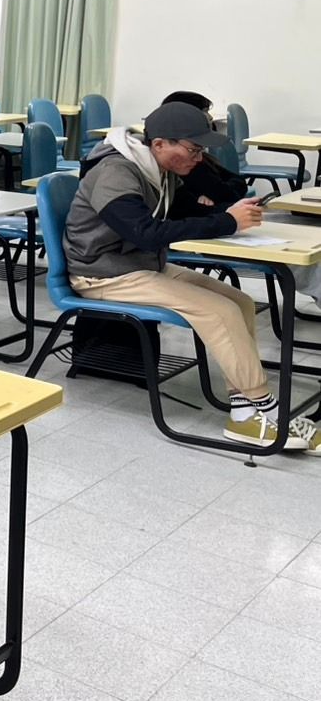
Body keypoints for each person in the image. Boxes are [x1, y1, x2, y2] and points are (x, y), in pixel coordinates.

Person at [64, 101, 313, 451]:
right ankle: (264, 410)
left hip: (140, 266)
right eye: (193, 150)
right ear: (159, 144)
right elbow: (145, 233)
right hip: (102, 275)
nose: (199, 158)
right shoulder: (116, 172)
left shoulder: (158, 169)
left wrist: (230, 213)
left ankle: (245, 409)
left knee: (239, 302)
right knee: (219, 312)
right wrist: (227, 222)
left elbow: (185, 212)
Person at [158, 91, 247, 219]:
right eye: (205, 111)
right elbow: (229, 195)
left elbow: (238, 181)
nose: (210, 117)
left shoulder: (197, 158)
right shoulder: (187, 164)